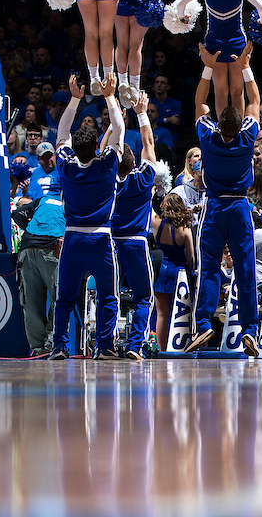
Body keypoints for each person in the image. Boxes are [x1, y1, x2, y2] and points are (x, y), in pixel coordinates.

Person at [186, 44, 262, 356]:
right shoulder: (247, 138)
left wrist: (207, 66)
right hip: (241, 206)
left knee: (210, 267)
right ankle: (250, 329)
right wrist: (245, 66)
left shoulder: (207, 136)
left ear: (219, 125)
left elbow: (199, 103)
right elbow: (255, 100)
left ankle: (204, 322)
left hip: (215, 205)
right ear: (240, 124)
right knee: (246, 268)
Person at [47, 74, 124, 360]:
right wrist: (109, 96)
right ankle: (104, 347)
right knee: (108, 296)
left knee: (65, 297)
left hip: (73, 238)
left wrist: (76, 99)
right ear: (96, 147)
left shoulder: (66, 166)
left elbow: (61, 133)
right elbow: (119, 128)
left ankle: (59, 346)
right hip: (101, 239)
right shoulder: (107, 164)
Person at [174, 0, 262, 117]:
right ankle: (237, 129)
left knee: (220, 91)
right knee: (237, 91)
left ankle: (224, 129)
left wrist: (183, 18)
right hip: (236, 42)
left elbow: (180, 4)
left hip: (214, 43)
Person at [109, 92, 158, 360]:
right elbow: (148, 142)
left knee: (110, 295)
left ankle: (105, 345)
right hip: (136, 242)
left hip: (111, 242)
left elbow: (105, 151)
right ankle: (134, 345)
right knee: (143, 297)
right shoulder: (143, 177)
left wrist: (115, 124)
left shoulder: (106, 178)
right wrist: (141, 113)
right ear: (134, 163)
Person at [11, 192, 65, 357]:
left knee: (31, 302)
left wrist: (29, 229)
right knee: (59, 300)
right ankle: (51, 344)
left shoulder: (42, 200)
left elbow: (17, 213)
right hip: (51, 249)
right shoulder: (71, 202)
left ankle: (37, 348)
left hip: (27, 250)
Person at [152, 193, 196, 352]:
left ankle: (162, 349)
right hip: (180, 272)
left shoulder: (156, 224)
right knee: (182, 312)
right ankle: (181, 347)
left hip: (162, 270)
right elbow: (191, 258)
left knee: (162, 314)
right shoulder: (185, 230)